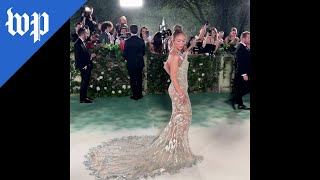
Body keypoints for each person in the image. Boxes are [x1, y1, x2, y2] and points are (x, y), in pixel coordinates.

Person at [83, 29, 203, 180]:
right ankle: (175, 148)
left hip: (179, 89)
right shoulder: (174, 54)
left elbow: (166, 67)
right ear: (173, 40)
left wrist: (196, 39)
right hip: (179, 91)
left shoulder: (177, 52)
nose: (181, 43)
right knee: (184, 117)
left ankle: (174, 147)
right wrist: (180, 92)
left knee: (178, 119)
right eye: (178, 41)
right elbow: (172, 75)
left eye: (183, 41)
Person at [74, 28, 96, 103]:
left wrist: (90, 56)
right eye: (86, 33)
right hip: (83, 66)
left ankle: (84, 96)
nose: (87, 35)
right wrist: (84, 65)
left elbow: (84, 54)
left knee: (85, 82)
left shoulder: (83, 42)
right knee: (84, 82)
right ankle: (82, 98)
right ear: (83, 34)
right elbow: (78, 57)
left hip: (87, 65)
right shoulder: (77, 43)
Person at [229, 31, 250, 110]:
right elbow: (240, 62)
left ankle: (239, 104)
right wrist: (244, 74)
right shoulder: (240, 48)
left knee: (240, 89)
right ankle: (233, 100)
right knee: (244, 88)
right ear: (243, 38)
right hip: (242, 73)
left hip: (244, 72)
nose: (250, 39)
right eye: (249, 38)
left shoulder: (245, 47)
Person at [124, 24, 146, 100]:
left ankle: (135, 95)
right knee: (139, 78)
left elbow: (125, 54)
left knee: (133, 79)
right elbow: (143, 52)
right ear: (137, 30)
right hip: (139, 62)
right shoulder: (141, 41)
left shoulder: (127, 41)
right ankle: (139, 94)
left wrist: (128, 59)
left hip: (131, 63)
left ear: (130, 31)